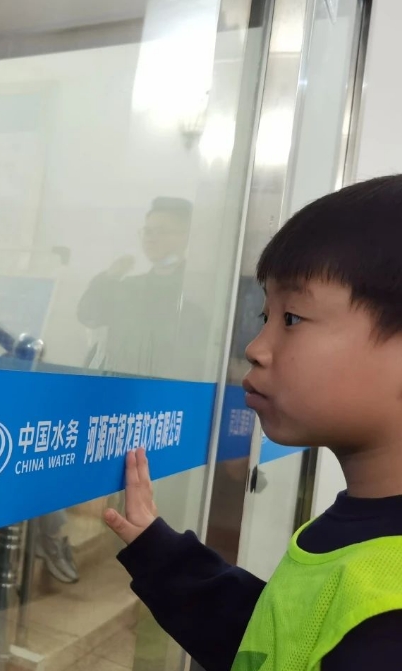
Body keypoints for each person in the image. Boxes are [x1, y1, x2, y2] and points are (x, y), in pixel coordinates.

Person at [103, 176, 402, 671]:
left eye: (292, 318)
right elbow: (275, 640)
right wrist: (159, 551)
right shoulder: (360, 536)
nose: (255, 348)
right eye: (266, 317)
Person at [77, 196, 208, 380]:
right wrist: (109, 277)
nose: (151, 239)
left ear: (186, 236)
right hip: (119, 387)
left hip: (170, 390)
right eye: (147, 231)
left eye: (161, 231)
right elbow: (88, 315)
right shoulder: (130, 287)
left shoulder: (199, 291)